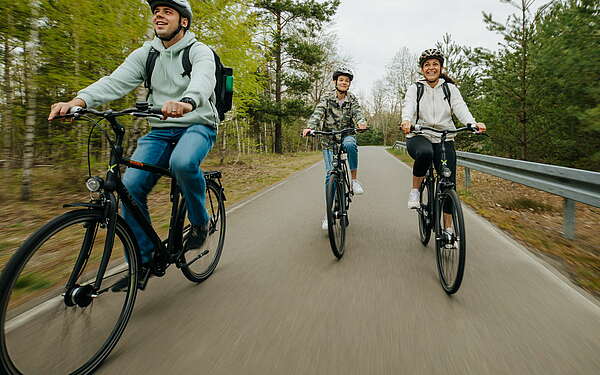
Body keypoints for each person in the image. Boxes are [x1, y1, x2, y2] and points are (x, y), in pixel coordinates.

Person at [48, 0, 219, 290]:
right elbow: (114, 82)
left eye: (167, 11)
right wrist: (78, 102)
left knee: (182, 163)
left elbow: (203, 81)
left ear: (184, 21)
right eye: (156, 12)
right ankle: (144, 259)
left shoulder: (199, 51)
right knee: (131, 187)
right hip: (160, 130)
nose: (159, 16)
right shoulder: (146, 54)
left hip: (197, 124)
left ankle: (201, 223)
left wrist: (187, 102)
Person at [400, 49, 486, 241]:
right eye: (427, 65)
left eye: (435, 64)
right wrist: (406, 121)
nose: (431, 68)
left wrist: (472, 123)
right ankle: (415, 191)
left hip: (445, 137)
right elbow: (409, 106)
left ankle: (448, 230)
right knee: (425, 152)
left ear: (441, 67)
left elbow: (460, 108)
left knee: (449, 184)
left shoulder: (450, 89)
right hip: (419, 134)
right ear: (422, 69)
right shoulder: (416, 88)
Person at [302, 67, 368, 230]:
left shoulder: (352, 99)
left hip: (346, 135)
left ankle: (353, 181)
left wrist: (361, 122)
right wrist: (310, 127)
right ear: (335, 82)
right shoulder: (327, 98)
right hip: (329, 139)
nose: (344, 82)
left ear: (349, 84)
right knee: (330, 175)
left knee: (350, 145)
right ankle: (328, 213)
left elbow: (358, 113)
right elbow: (318, 113)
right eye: (341, 80)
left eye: (347, 80)